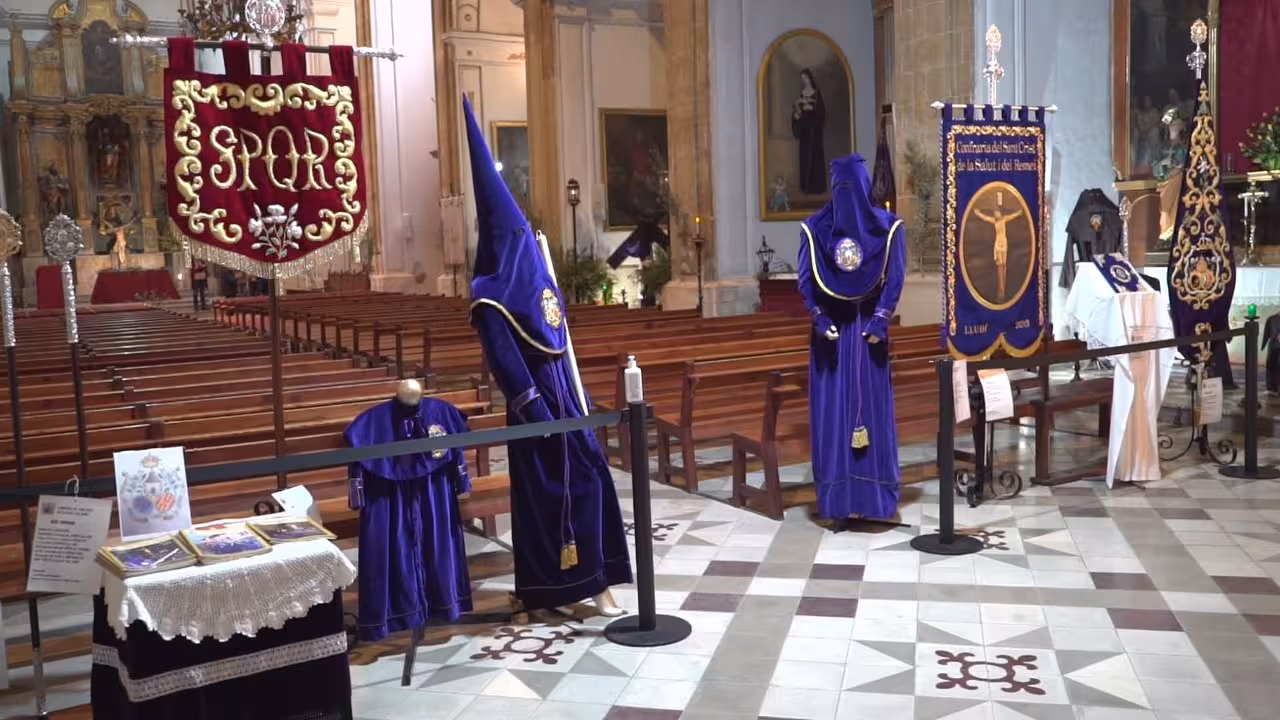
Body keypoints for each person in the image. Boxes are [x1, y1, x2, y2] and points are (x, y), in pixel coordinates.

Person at [462, 96, 631, 614]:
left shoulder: (536, 278)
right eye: (514, 236)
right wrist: (536, 411)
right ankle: (557, 586)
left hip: (566, 401)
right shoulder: (489, 296)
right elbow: (507, 364)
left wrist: (577, 398)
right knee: (555, 494)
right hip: (536, 411)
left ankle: (592, 578)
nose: (523, 243)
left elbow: (559, 342)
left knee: (591, 479)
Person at [797, 153, 907, 522]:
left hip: (867, 337)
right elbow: (805, 281)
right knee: (833, 419)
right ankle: (837, 500)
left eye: (852, 186)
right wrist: (818, 316)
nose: (846, 193)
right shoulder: (815, 231)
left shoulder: (887, 229)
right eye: (840, 187)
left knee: (871, 416)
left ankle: (875, 500)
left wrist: (881, 318)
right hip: (831, 340)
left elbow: (895, 277)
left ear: (864, 186)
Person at [973, 202, 1023, 302]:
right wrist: (978, 213)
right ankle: (1000, 290)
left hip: (1004, 244)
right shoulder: (994, 221)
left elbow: (1012, 216)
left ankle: (1003, 290)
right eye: (995, 213)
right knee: (1000, 267)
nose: (996, 214)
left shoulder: (1004, 219)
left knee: (1004, 266)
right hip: (998, 246)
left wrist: (1018, 213)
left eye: (997, 212)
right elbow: (985, 218)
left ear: (1000, 213)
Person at [792, 68, 827, 196]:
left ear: (809, 78)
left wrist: (812, 109)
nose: (804, 80)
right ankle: (805, 187)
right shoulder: (801, 94)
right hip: (805, 130)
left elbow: (821, 112)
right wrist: (797, 114)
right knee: (805, 157)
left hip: (814, 130)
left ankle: (817, 187)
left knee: (815, 157)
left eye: (805, 78)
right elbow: (797, 110)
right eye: (802, 78)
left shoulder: (817, 93)